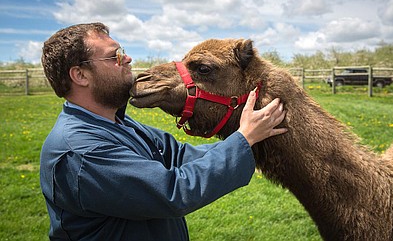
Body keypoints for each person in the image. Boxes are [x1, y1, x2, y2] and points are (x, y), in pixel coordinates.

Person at [40, 22, 287, 241]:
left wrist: (252, 142)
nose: (127, 59)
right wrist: (244, 139)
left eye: (123, 52)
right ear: (80, 75)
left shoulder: (116, 123)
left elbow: (178, 154)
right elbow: (173, 191)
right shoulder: (81, 151)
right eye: (114, 57)